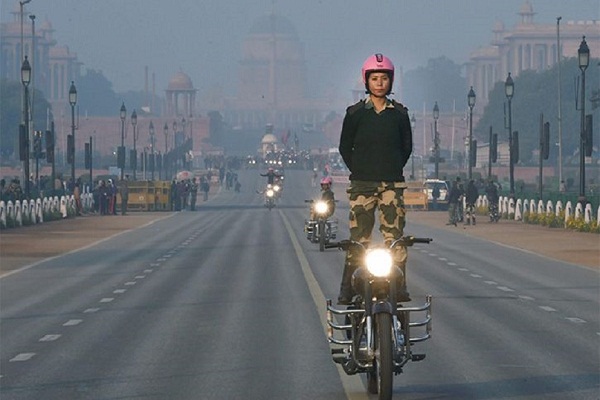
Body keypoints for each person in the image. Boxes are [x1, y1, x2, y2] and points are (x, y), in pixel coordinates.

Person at [337, 53, 413, 305]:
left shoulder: (399, 115)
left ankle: (400, 284)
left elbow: (406, 148)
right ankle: (347, 286)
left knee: (395, 237)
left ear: (390, 82)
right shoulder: (356, 114)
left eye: (383, 78)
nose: (379, 83)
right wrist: (360, 169)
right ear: (366, 81)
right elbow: (345, 148)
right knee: (359, 238)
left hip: (391, 183)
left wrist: (389, 169)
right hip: (362, 185)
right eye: (374, 78)